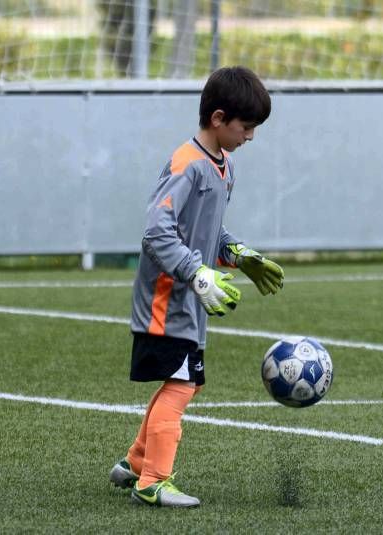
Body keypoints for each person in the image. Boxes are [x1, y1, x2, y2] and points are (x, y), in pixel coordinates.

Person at [109, 66, 285, 508]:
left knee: (184, 380)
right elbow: (156, 233)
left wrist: (237, 253)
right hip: (166, 303)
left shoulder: (221, 168)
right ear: (219, 118)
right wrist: (197, 272)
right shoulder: (187, 165)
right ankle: (153, 481)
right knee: (183, 385)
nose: (250, 137)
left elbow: (205, 230)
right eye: (246, 128)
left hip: (187, 301)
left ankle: (134, 462)